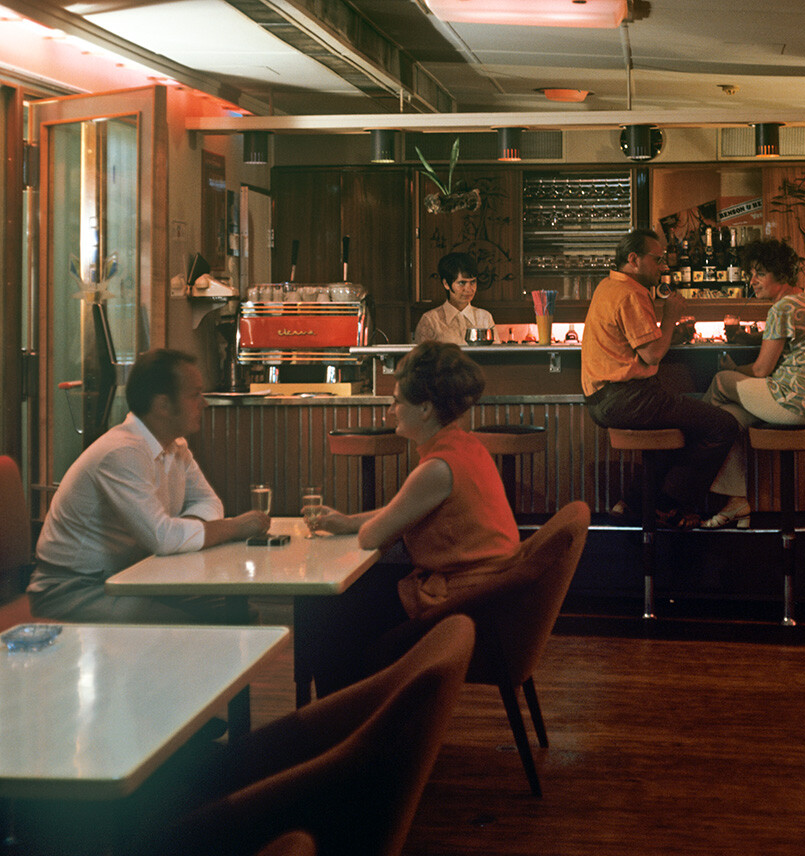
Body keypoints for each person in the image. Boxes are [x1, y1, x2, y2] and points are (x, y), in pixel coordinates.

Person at [303, 341, 520, 693]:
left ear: (424, 408)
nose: (390, 411)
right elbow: (406, 510)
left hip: (463, 604)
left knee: (327, 615)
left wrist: (358, 527)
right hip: (487, 595)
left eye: (396, 401)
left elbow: (371, 538)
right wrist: (345, 521)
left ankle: (342, 727)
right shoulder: (463, 446)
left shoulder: (436, 468)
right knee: (347, 602)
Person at [28, 348, 271, 622]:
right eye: (194, 395)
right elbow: (163, 537)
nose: (204, 403)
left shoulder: (175, 447)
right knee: (190, 627)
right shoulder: (122, 452)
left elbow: (209, 504)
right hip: (74, 589)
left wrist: (180, 535)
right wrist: (235, 527)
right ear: (163, 405)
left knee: (238, 615)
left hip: (137, 576)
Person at [581, 228, 740, 528]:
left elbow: (640, 344)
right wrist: (670, 314)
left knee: (683, 427)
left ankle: (634, 501)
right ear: (633, 259)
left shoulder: (608, 286)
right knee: (723, 425)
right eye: (657, 259)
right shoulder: (631, 293)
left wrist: (671, 332)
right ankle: (668, 505)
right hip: (627, 397)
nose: (664, 267)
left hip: (603, 398)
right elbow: (652, 355)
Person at [701, 238, 805, 529]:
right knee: (729, 419)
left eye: (760, 273)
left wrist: (734, 368)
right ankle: (737, 502)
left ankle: (690, 467)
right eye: (751, 273)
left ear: (780, 273)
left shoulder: (782, 308)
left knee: (720, 382)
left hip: (795, 400)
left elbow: (762, 369)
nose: (753, 281)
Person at [413, 252, 495, 345]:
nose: (468, 289)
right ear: (446, 284)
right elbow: (421, 357)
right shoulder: (431, 320)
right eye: (462, 283)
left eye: (472, 282)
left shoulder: (484, 317)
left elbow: (496, 355)